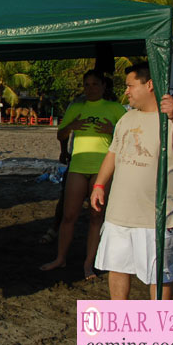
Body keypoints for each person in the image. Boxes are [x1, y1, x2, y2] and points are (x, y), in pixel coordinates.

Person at [91, 63, 173, 300]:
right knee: (116, 268)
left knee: (159, 277)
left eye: (131, 86)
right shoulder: (127, 118)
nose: (126, 92)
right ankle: (120, 325)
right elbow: (113, 152)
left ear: (149, 84)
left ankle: (158, 334)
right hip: (119, 214)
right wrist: (99, 185)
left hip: (158, 216)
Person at [41, 70, 126, 279]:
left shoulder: (115, 108)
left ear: (104, 86)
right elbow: (60, 134)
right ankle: (60, 258)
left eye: (95, 84)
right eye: (86, 85)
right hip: (78, 167)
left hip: (102, 169)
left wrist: (112, 130)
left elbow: (130, 135)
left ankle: (89, 263)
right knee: (69, 216)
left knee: (96, 217)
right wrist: (72, 126)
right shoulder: (77, 107)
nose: (90, 89)